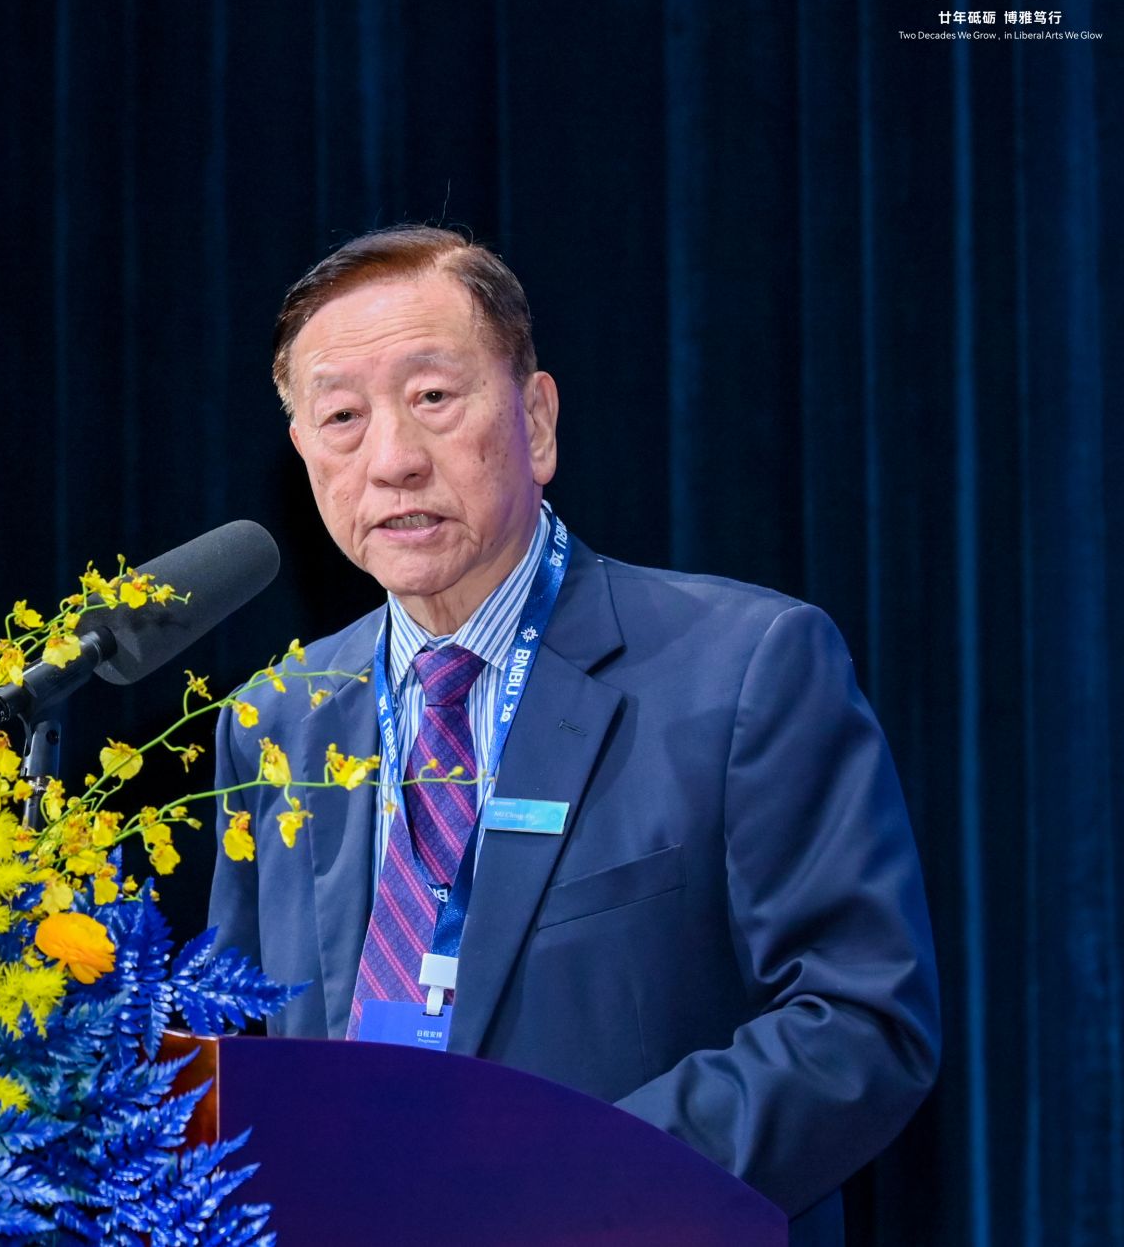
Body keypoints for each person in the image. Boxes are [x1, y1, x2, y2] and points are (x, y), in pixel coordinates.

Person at [207, 225, 939, 1245]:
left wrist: (564, 1188)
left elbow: (858, 1025)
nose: (392, 460)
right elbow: (240, 1037)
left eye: (432, 397)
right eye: (341, 417)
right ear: (304, 456)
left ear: (537, 420)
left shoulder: (746, 667)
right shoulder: (274, 718)